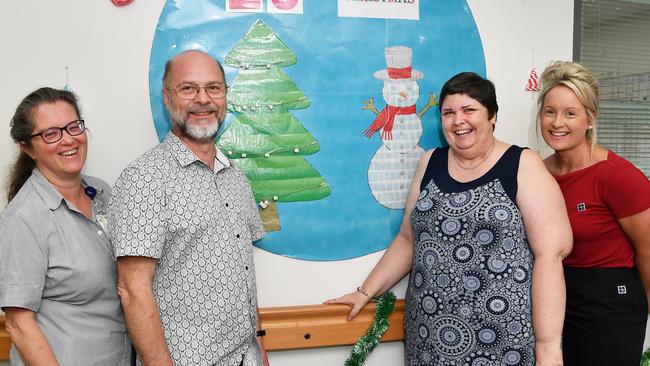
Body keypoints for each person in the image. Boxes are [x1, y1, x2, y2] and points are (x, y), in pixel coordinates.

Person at [327, 72, 573, 365]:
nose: (458, 121)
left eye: (469, 110)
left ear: (492, 115)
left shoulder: (522, 163)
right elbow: (409, 239)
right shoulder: (430, 162)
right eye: (449, 113)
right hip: (428, 335)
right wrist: (364, 292)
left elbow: (551, 255)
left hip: (502, 337)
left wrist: (548, 346)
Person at [109, 49, 268, 366]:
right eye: (188, 88)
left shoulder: (236, 177)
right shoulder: (144, 179)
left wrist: (260, 351)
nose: (203, 99)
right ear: (167, 98)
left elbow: (243, 276)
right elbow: (132, 290)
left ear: (225, 96)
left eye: (213, 88)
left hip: (245, 357)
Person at [0, 87, 131, 365]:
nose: (68, 139)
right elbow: (19, 326)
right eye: (51, 133)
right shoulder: (22, 219)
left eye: (73, 126)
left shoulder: (102, 191)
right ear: (27, 147)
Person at [537, 61, 650, 366]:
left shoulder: (617, 176)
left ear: (590, 119)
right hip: (556, 299)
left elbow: (648, 251)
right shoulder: (537, 173)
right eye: (550, 111)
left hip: (611, 302)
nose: (557, 122)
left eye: (570, 113)